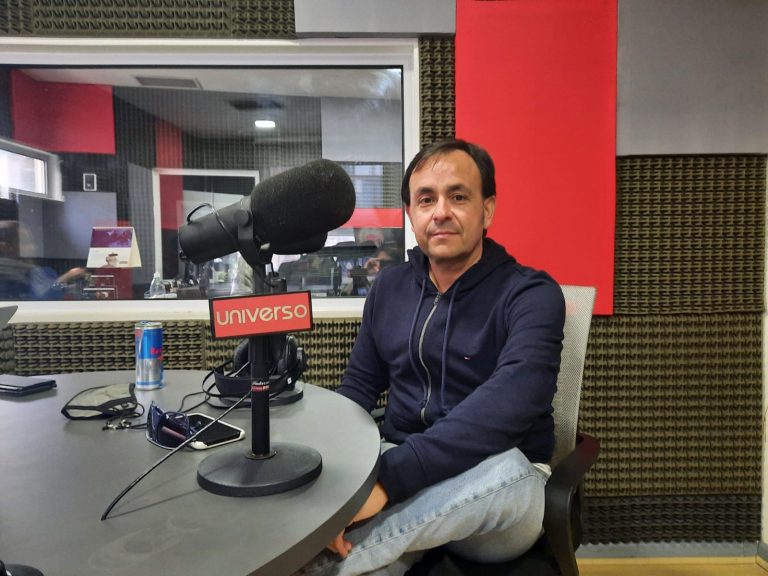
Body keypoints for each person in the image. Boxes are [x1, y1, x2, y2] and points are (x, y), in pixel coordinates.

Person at [296, 139, 566, 576]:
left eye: (458, 197)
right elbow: (359, 387)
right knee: (374, 555)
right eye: (426, 199)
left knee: (510, 474)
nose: (440, 212)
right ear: (411, 213)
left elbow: (513, 400)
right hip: (400, 463)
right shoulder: (389, 288)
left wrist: (388, 480)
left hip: (491, 487)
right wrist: (332, 460)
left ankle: (312, 567)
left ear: (487, 210)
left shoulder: (531, 294)